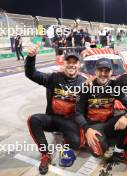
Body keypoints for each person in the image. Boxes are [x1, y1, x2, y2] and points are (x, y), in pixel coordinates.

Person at [25, 44, 86, 175]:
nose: (71, 65)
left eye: (74, 62)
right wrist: (31, 58)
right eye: (68, 62)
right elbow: (31, 73)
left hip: (70, 122)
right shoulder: (53, 78)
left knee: (78, 142)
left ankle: (66, 139)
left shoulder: (84, 82)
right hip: (52, 119)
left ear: (79, 65)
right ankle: (45, 154)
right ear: (63, 64)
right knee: (34, 120)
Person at [75, 58, 127, 166]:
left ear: (111, 72)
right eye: (100, 70)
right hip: (93, 126)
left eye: (107, 71)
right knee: (99, 152)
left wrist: (126, 116)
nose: (103, 74)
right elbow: (78, 114)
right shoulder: (86, 87)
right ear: (95, 72)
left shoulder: (115, 86)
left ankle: (118, 153)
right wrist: (87, 129)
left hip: (109, 124)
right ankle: (100, 140)